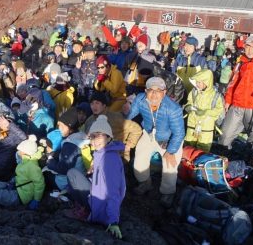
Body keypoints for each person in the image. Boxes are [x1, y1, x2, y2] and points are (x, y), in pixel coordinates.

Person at [127, 77, 185, 208]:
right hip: (149, 134)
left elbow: (179, 133)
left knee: (170, 165)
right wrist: (121, 125)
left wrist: (170, 151)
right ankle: (145, 182)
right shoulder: (140, 100)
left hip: (169, 138)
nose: (154, 94)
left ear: (164, 92)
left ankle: (168, 192)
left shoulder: (173, 108)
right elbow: (130, 116)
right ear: (145, 91)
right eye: (150, 90)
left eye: (158, 90)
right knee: (139, 157)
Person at [86, 116, 126, 239]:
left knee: (73, 175)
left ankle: (89, 212)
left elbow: (114, 192)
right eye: (93, 136)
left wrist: (113, 222)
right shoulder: (101, 153)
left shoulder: (109, 159)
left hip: (102, 209)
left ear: (109, 137)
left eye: (100, 135)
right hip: (98, 198)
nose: (95, 140)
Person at [83, 92, 142, 164]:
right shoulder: (89, 120)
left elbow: (136, 129)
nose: (94, 106)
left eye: (97, 103)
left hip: (117, 156)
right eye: (92, 103)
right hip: (97, 156)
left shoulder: (115, 117)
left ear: (104, 105)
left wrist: (129, 145)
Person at [44, 108, 88, 191]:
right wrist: (53, 154)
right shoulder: (80, 135)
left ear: (69, 126)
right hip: (80, 175)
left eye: (62, 126)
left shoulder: (70, 144)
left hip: (68, 182)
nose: (59, 129)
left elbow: (62, 169)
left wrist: (49, 160)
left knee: (44, 175)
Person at [184, 70, 224, 152]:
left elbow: (219, 111)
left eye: (200, 82)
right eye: (197, 82)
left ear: (207, 82)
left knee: (203, 150)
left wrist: (206, 112)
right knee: (188, 148)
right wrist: (187, 106)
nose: (197, 84)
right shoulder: (194, 91)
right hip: (192, 125)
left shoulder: (216, 96)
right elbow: (189, 101)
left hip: (206, 129)